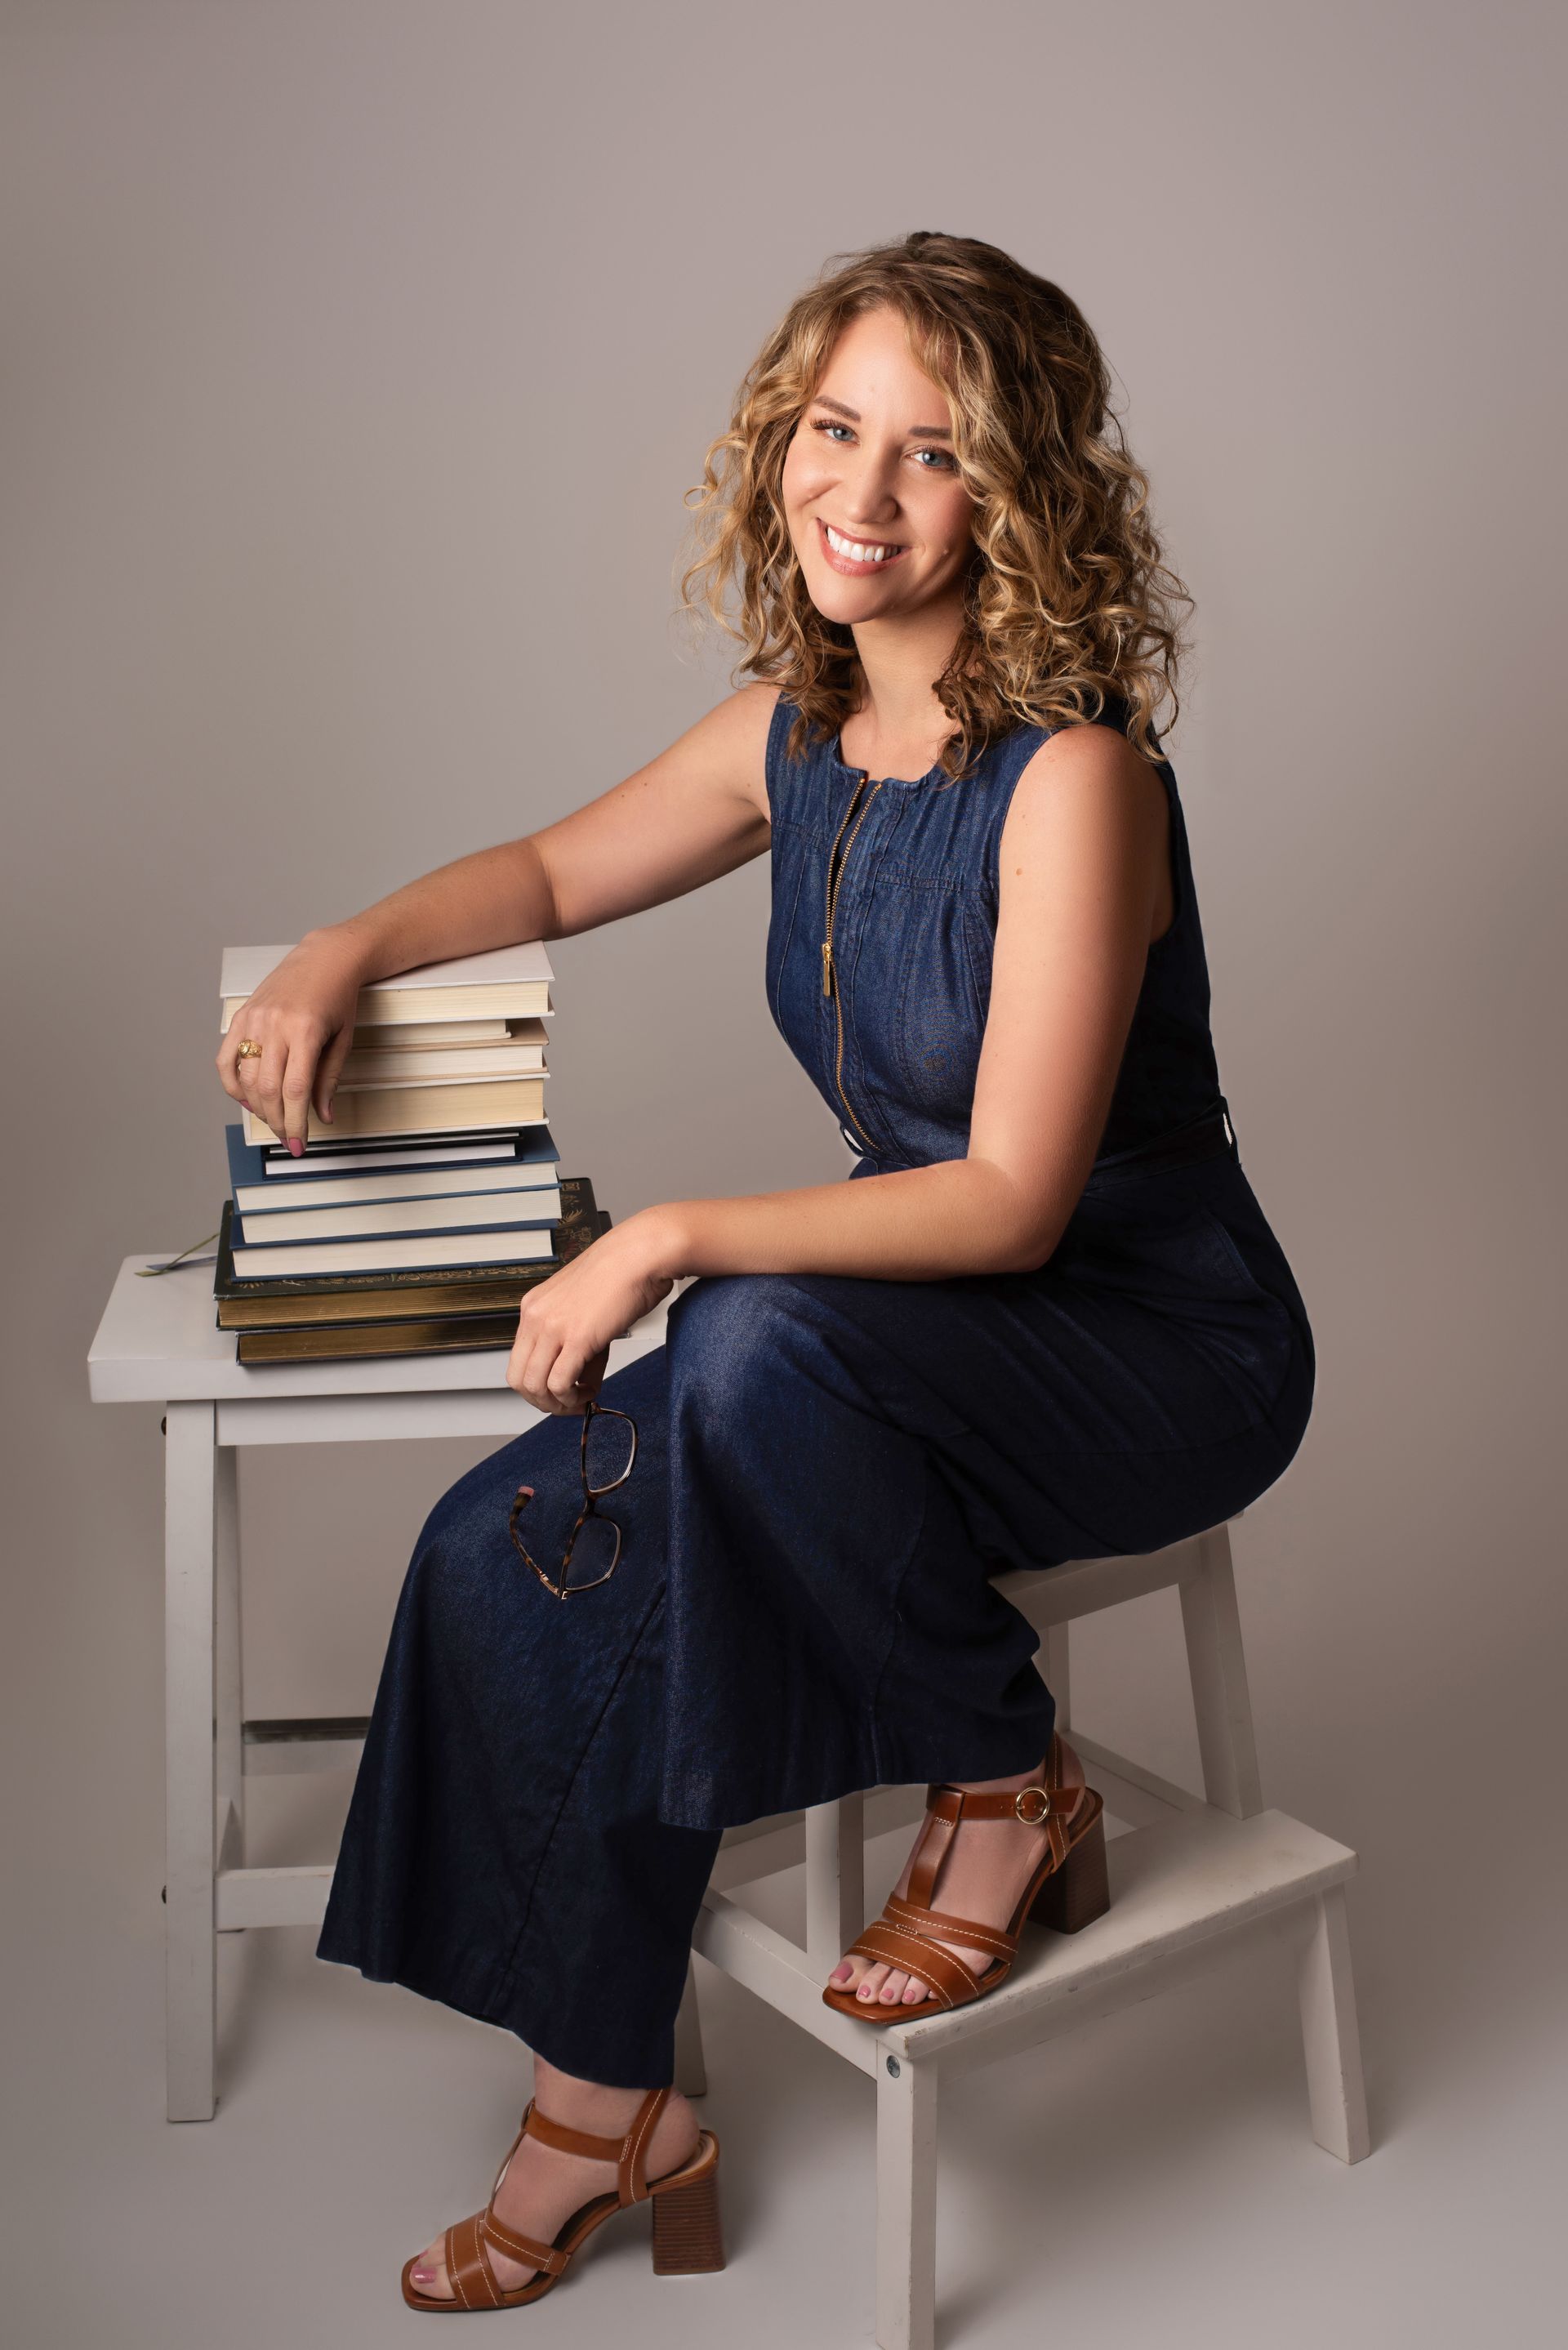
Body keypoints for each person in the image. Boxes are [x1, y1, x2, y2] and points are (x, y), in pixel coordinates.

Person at [216, 230, 1315, 2313]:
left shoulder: (1078, 782)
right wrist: (349, 945)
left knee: (735, 1340)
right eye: (835, 429)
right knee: (510, 1533)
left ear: (1026, 494)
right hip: (862, 1353)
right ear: (778, 438)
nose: (863, 494)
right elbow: (547, 872)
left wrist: (673, 1232)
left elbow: (1005, 1202)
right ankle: (601, 2099)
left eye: (933, 454)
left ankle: (1006, 1766)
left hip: (1147, 1339)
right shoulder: (796, 728)